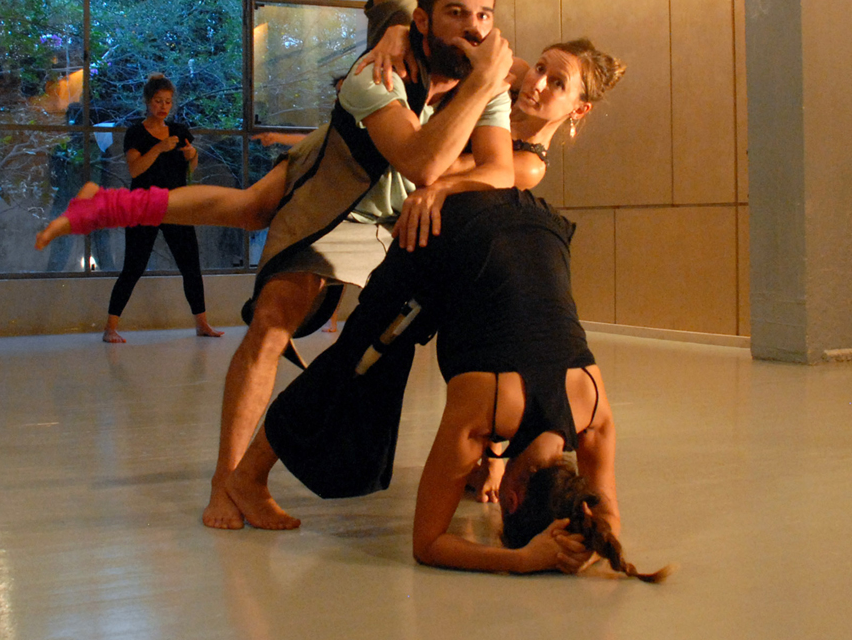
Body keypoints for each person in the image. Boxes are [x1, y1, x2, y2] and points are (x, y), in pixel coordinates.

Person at [223, 188, 668, 582]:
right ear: (512, 501)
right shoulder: (483, 412)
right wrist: (522, 560)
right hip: (449, 229)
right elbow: (428, 544)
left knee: (484, 331)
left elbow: (608, 515)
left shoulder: (593, 412)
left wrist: (590, 540)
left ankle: (488, 467)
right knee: (359, 359)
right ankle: (248, 478)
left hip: (541, 225)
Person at [100, 73, 221, 343]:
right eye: (158, 101)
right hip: (144, 205)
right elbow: (135, 169)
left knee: (190, 265)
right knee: (134, 266)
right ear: (147, 101)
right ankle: (110, 328)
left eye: (167, 101)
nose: (163, 106)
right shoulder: (136, 133)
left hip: (176, 204)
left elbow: (190, 168)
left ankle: (202, 324)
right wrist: (159, 148)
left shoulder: (179, 131)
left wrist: (192, 155)